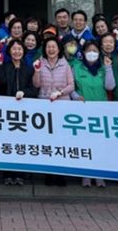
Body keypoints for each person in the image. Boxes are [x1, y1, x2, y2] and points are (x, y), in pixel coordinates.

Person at [0, 40, 38, 186]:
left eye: (19, 49)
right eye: (14, 49)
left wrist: (24, 92)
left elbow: (34, 90)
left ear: (23, 51)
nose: (17, 51)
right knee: (7, 143)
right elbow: (0, 83)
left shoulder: (28, 69)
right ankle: (7, 174)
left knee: (21, 143)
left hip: (24, 111)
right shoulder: (4, 66)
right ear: (9, 51)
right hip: (7, 110)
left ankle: (20, 174)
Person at [72, 40, 115, 187]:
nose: (92, 53)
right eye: (89, 50)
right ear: (83, 53)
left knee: (99, 144)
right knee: (85, 144)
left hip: (100, 110)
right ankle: (86, 175)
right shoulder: (76, 67)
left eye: (95, 51)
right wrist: (76, 97)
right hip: (82, 110)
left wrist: (108, 67)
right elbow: (71, 87)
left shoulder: (103, 68)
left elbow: (110, 86)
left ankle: (99, 174)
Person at [33, 36, 73, 187]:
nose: (51, 49)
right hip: (44, 106)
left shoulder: (65, 64)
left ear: (58, 49)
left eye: (54, 47)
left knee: (61, 141)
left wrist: (60, 92)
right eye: (48, 47)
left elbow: (71, 85)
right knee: (47, 141)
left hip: (62, 105)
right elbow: (36, 84)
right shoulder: (40, 62)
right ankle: (49, 173)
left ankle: (61, 173)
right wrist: (37, 71)